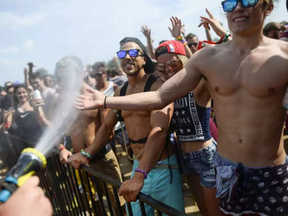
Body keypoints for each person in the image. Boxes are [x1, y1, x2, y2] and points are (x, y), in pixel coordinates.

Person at [75, 0, 288, 215]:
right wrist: (104, 101)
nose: (238, 8)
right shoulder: (208, 59)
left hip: (267, 172)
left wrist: (187, 37)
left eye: (249, 0)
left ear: (268, 7)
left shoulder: (283, 57)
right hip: (224, 170)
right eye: (230, 2)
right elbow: (159, 96)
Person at [69, 37, 185, 215]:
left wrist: (140, 175)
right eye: (123, 53)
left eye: (133, 53)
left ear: (144, 59)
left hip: (163, 168)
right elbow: (107, 127)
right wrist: (87, 153)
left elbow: (159, 131)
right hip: (138, 166)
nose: (127, 57)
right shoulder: (120, 92)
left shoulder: (157, 86)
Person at [154, 40, 220, 216]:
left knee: (216, 212)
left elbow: (211, 61)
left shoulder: (199, 85)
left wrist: (181, 39)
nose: (168, 69)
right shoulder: (166, 92)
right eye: (161, 67)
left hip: (206, 156)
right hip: (184, 158)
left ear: (182, 60)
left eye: (172, 63)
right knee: (203, 209)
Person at [56, 56, 125, 216]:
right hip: (80, 165)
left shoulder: (97, 96)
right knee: (93, 204)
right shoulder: (62, 100)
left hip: (102, 159)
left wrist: (87, 153)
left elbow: (109, 132)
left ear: (79, 72)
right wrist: (61, 148)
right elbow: (56, 131)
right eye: (61, 76)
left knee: (118, 202)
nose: (64, 79)